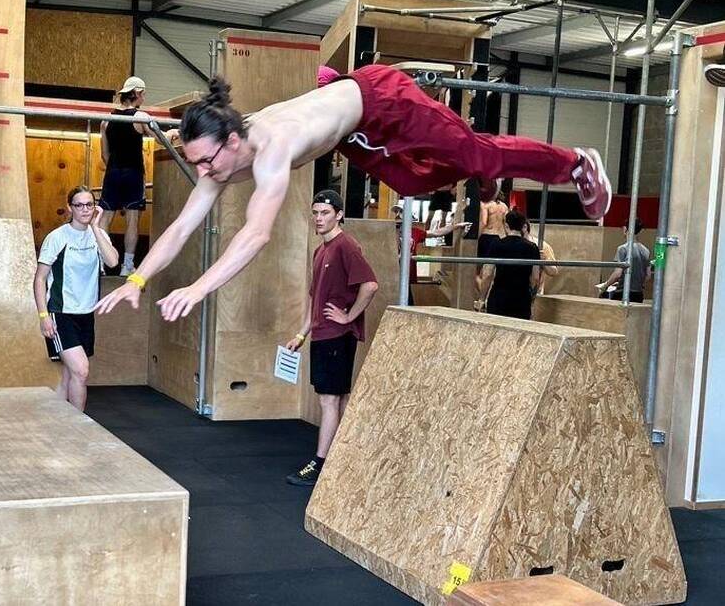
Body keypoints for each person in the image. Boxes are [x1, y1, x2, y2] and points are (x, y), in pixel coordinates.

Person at [94, 67, 609, 322]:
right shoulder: (218, 162)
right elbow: (181, 227)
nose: (205, 172)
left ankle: (574, 162)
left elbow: (255, 235)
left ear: (232, 141)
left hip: (382, 98)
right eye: (197, 163)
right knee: (411, 183)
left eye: (207, 160)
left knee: (479, 155)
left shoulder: (272, 149)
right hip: (350, 126)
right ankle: (476, 168)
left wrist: (199, 288)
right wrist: (137, 278)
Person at [284, 190, 378, 486]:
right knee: (338, 397)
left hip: (338, 335)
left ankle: (320, 464)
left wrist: (349, 317)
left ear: (339, 215)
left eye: (325, 213)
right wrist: (301, 334)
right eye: (315, 213)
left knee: (329, 399)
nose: (318, 218)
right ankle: (344, 461)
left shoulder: (345, 245)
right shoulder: (320, 251)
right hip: (323, 334)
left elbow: (370, 285)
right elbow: (316, 299)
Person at [34, 186, 119, 411]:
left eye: (89, 205)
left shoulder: (98, 235)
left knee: (69, 375)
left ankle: (54, 421)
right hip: (61, 313)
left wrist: (96, 228)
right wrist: (43, 316)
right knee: (81, 370)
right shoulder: (57, 237)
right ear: (70, 208)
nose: (85, 209)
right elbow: (40, 279)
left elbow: (112, 262)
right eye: (79, 205)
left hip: (86, 314)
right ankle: (79, 424)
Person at [98, 76, 150, 276]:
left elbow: (105, 155)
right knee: (132, 219)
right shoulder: (140, 117)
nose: (144, 98)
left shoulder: (106, 120)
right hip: (133, 172)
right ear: (137, 93)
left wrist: (115, 168)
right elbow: (159, 138)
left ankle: (101, 263)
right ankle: (127, 266)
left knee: (105, 217)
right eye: (143, 94)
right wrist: (172, 133)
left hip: (112, 171)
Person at [393, 203, 470, 305]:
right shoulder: (390, 231)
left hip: (408, 274)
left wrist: (456, 226)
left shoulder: (415, 232)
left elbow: (437, 232)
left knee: (408, 302)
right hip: (393, 273)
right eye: (397, 212)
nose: (398, 215)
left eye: (401, 212)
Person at [484, 209, 542, 320]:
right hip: (522, 298)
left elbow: (487, 274)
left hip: (498, 297)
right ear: (523, 226)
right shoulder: (532, 247)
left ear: (506, 226)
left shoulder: (496, 244)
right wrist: (531, 298)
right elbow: (535, 278)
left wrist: (482, 299)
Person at [597, 219, 651, 303]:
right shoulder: (646, 251)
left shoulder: (623, 249)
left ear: (625, 229)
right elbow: (648, 276)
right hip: (638, 295)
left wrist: (605, 286)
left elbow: (617, 274)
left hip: (622, 293)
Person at [474, 185, 509, 309]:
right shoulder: (504, 206)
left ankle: (482, 298)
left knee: (476, 272)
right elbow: (506, 224)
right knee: (492, 271)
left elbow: (484, 222)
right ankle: (486, 297)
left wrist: (476, 237)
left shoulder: (485, 205)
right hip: (500, 237)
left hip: (487, 237)